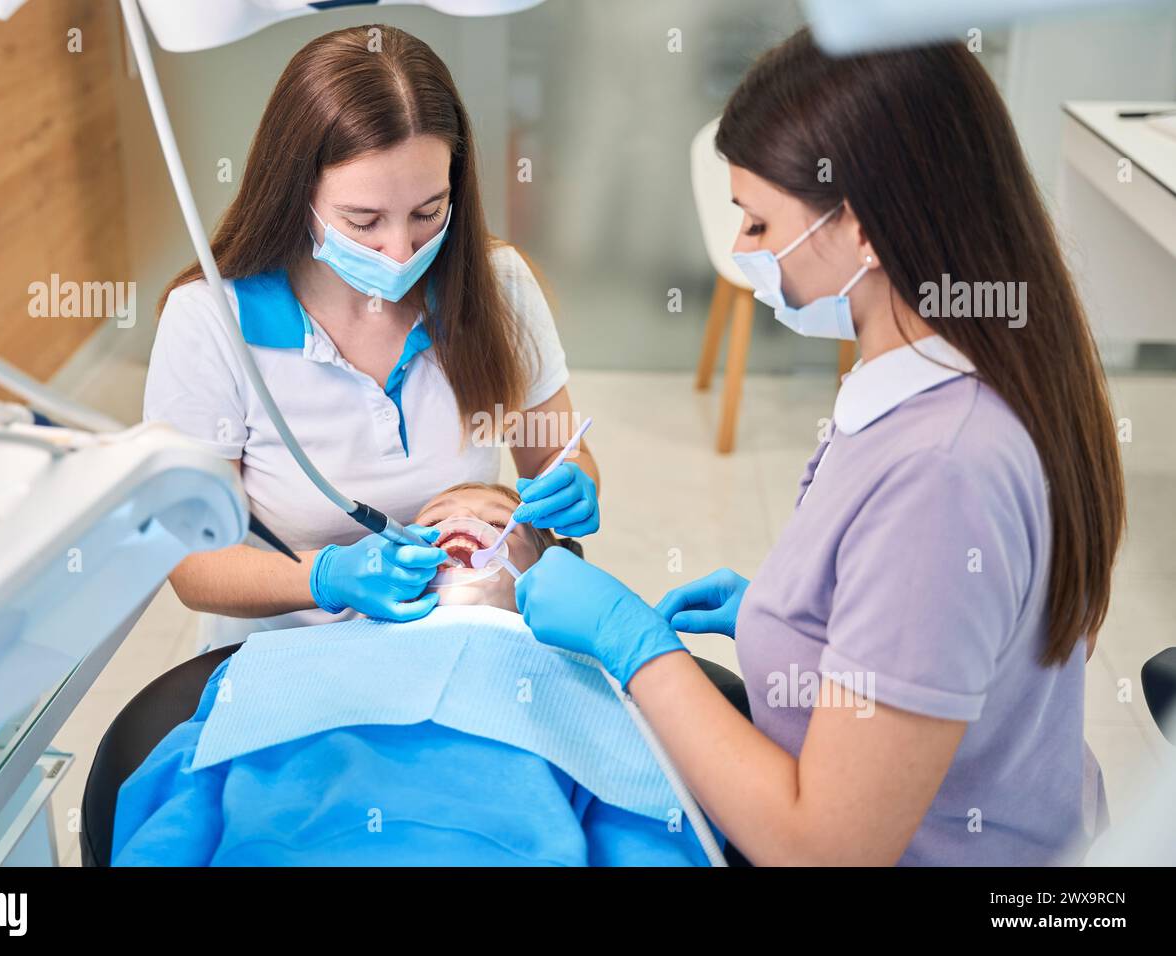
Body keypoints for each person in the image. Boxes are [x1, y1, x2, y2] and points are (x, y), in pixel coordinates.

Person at [514, 28, 1125, 866]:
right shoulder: (960, 361)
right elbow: (934, 614)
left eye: (761, 223)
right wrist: (794, 624)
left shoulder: (943, 472)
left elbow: (825, 850)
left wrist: (634, 646)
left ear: (863, 228)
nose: (741, 251)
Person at [142, 25, 598, 653]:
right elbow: (192, 568)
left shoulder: (498, 287)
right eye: (364, 221)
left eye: (428, 212)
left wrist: (574, 482)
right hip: (282, 663)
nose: (401, 250)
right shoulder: (210, 322)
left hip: (458, 651)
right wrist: (326, 577)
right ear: (296, 193)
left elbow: (554, 456)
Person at [112, 483, 712, 867]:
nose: (463, 519)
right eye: (434, 518)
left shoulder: (586, 685)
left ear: (547, 574)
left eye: (499, 518)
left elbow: (642, 824)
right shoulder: (278, 662)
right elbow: (181, 805)